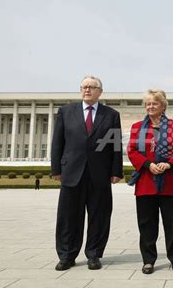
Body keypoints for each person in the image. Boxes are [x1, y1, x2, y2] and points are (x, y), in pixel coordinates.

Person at [51, 76, 123, 271]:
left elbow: (116, 145)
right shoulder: (66, 112)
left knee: (99, 216)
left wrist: (116, 171)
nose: (88, 90)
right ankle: (67, 255)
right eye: (84, 87)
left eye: (92, 87)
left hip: (99, 174)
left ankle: (94, 254)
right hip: (71, 172)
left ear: (100, 91)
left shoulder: (111, 115)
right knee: (68, 217)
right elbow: (57, 142)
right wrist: (56, 169)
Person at [127, 89, 173, 276]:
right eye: (147, 103)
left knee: (172, 224)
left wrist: (169, 164)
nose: (150, 106)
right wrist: (148, 164)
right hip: (146, 182)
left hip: (169, 181)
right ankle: (148, 260)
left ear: (163, 106)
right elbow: (132, 150)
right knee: (147, 224)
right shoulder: (138, 127)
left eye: (154, 103)